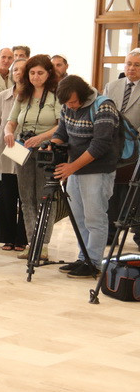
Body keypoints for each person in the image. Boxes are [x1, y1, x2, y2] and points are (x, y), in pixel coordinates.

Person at [50, 75, 119, 278]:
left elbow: (100, 145)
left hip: (98, 170)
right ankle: (83, 258)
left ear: (83, 95)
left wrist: (72, 167)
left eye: (73, 102)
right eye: (66, 103)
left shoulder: (103, 106)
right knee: (79, 217)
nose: (70, 106)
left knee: (95, 218)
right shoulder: (67, 105)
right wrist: (52, 145)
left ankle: (94, 262)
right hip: (75, 170)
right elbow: (62, 133)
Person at [3, 54, 61, 260]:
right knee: (26, 197)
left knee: (44, 197)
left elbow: (61, 125)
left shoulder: (55, 95)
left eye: (40, 73)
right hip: (23, 147)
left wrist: (41, 137)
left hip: (46, 149)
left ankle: (43, 244)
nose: (36, 77)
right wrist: (8, 132)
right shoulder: (23, 94)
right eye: (32, 73)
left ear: (49, 74)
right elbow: (11, 121)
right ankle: (31, 242)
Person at [0, 58, 28, 251]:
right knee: (5, 195)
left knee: (24, 196)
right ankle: (7, 237)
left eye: (23, 69)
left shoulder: (34, 96)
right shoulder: (3, 96)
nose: (18, 73)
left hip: (25, 149)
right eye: (15, 69)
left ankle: (22, 238)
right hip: (5, 150)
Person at [104, 48, 140, 244]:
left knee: (134, 190)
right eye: (129, 64)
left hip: (137, 146)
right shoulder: (112, 86)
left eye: (137, 65)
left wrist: (133, 135)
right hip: (112, 145)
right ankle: (110, 233)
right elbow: (103, 111)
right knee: (112, 189)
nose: (131, 68)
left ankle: (136, 231)